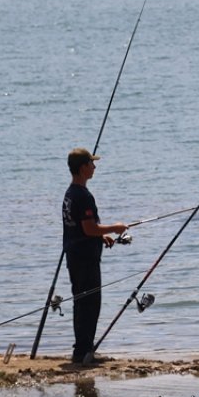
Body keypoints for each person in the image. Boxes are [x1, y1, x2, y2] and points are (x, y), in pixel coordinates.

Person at [62, 148, 127, 365]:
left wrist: (101, 238)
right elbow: (89, 228)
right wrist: (114, 228)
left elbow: (82, 229)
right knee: (90, 304)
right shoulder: (83, 196)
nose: (94, 167)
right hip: (84, 258)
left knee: (81, 302)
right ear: (82, 168)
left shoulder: (70, 194)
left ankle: (82, 349)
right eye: (91, 164)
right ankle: (83, 351)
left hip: (75, 255)